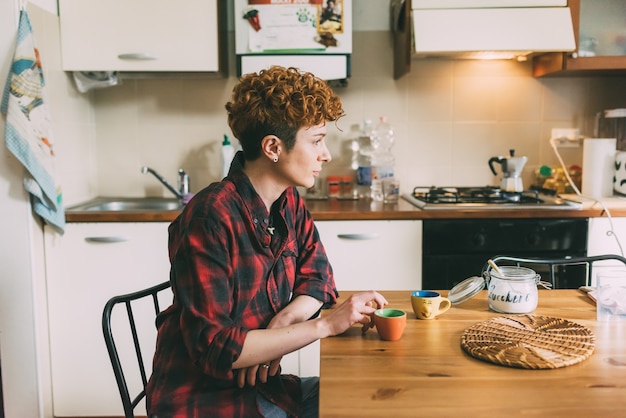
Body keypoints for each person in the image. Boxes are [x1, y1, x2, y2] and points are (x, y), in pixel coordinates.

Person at [145, 66, 388, 418]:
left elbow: (319, 277)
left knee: (368, 400)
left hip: (265, 386)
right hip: (207, 400)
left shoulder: (288, 202)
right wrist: (325, 325)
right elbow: (217, 349)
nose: (326, 154)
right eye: (317, 140)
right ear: (273, 147)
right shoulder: (209, 217)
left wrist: (281, 325)